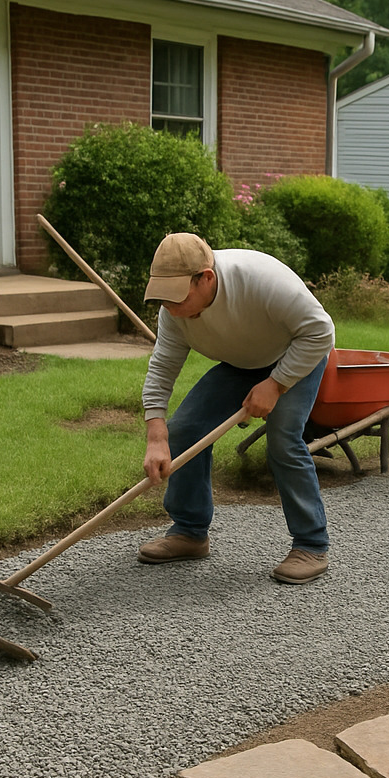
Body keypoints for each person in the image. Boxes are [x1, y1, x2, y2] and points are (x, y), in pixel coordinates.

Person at [138, 232, 336, 584]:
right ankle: (190, 531)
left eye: (177, 296)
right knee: (183, 429)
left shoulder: (261, 280)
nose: (169, 307)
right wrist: (156, 432)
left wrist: (276, 385)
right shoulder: (174, 312)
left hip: (295, 356)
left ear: (207, 278)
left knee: (283, 439)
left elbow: (321, 332)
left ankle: (311, 543)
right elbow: (162, 366)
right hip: (241, 364)